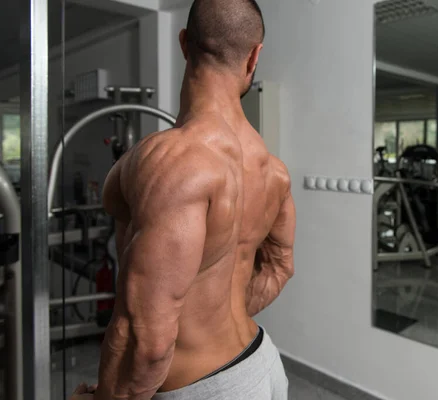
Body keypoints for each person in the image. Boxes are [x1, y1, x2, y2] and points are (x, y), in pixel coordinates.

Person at [70, 0, 296, 398]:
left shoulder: (173, 163)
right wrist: (218, 322)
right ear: (254, 57)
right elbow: (280, 269)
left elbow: (148, 339)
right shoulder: (273, 171)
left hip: (200, 387)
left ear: (183, 44)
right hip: (262, 363)